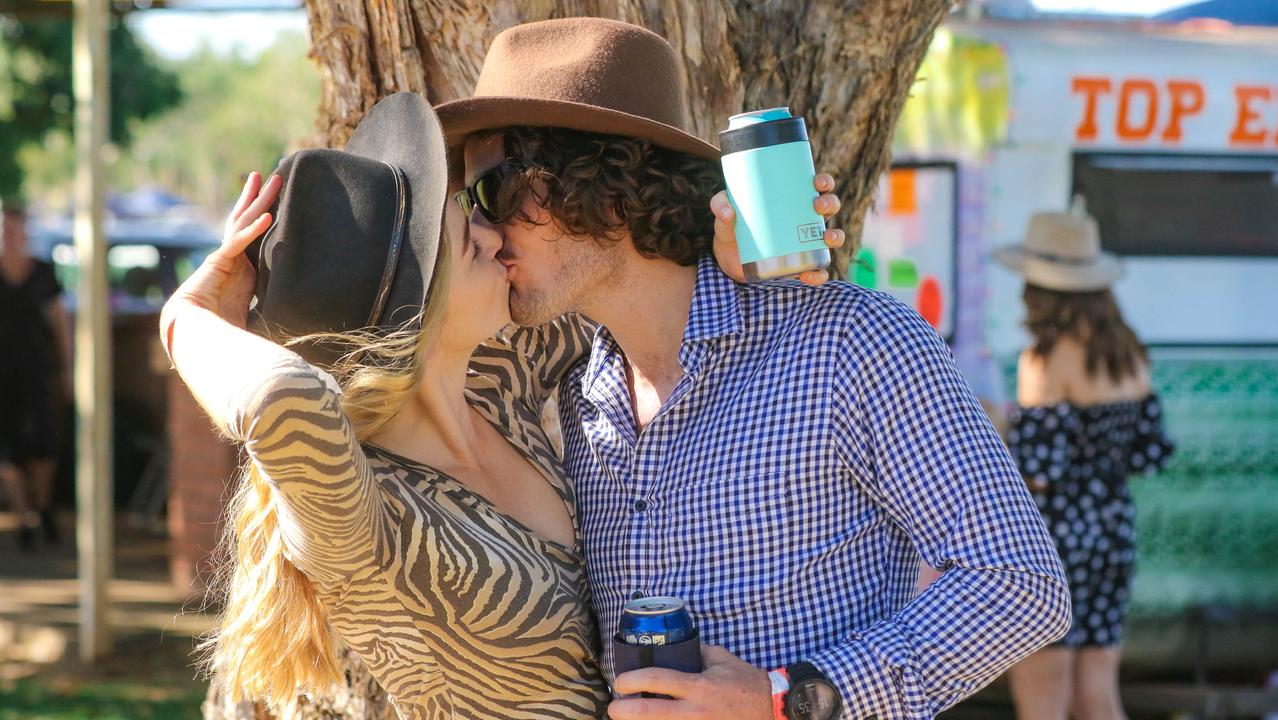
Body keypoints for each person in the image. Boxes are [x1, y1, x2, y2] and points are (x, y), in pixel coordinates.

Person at [435, 17, 1071, 720]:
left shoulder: (849, 342)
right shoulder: (575, 397)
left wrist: (784, 700)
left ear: (601, 186)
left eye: (491, 193)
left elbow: (1021, 586)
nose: (484, 231)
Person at [166, 94, 842, 718]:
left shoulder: (495, 385)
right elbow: (287, 397)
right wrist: (186, 315)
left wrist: (721, 241)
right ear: (416, 321)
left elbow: (619, 279)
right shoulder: (362, 511)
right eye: (468, 239)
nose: (494, 237)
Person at [995, 208, 1174, 720]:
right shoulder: (1129, 353)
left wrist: (1000, 429)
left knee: (1044, 702)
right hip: (1115, 527)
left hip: (1055, 539)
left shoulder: (1045, 360)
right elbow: (1148, 453)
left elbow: (1037, 471)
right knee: (1097, 695)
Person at [1, 199, 71, 551]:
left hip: (38, 367)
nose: (9, 236)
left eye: (14, 229)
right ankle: (24, 516)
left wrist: (69, 366)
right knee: (7, 449)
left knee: (44, 443)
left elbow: (61, 321)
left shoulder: (43, 271)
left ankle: (43, 507)